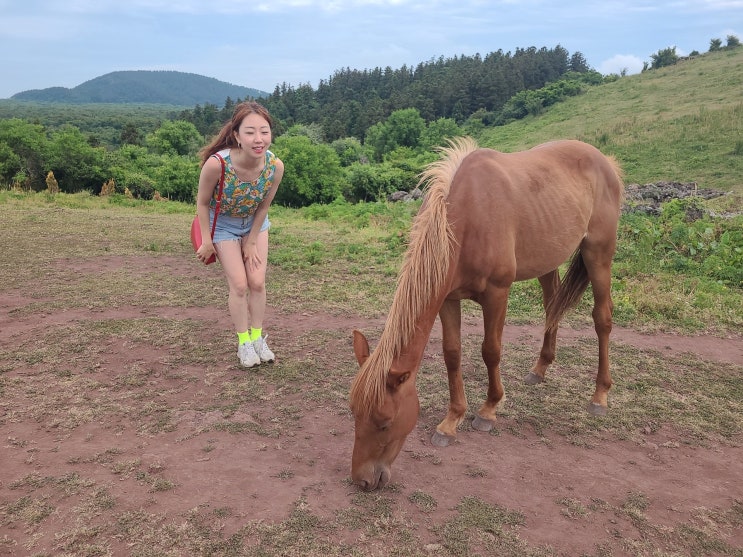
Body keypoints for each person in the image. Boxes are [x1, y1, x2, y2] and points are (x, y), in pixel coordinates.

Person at [194, 101, 284, 368]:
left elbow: (264, 205)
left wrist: (252, 240)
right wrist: (207, 241)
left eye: (264, 131)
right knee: (240, 285)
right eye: (250, 132)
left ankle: (258, 338)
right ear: (236, 135)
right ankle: (244, 343)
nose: (259, 139)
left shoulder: (274, 166)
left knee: (257, 282)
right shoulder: (217, 164)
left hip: (255, 223)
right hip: (222, 225)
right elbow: (201, 203)